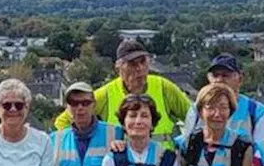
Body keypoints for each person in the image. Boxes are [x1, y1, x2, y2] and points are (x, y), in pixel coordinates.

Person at [53, 38, 192, 150]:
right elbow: (63, 121)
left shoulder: (163, 87)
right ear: (118, 67)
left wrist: (184, 146)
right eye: (132, 64)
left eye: (143, 61)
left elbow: (194, 117)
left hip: (162, 164)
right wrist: (91, 148)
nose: (140, 68)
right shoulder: (105, 94)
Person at [181, 54, 264, 143]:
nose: (219, 80)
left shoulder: (257, 113)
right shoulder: (197, 109)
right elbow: (186, 146)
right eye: (215, 75)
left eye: (225, 75)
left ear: (240, 79)